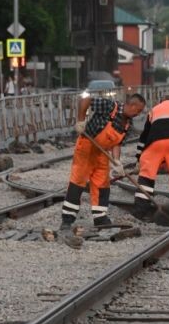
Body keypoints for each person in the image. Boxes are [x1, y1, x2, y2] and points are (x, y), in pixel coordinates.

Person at [61, 93, 147, 230]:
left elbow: (116, 144)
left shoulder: (127, 125)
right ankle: (67, 219)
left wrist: (117, 162)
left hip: (102, 153)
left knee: (102, 184)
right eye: (138, 110)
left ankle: (100, 218)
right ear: (132, 105)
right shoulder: (110, 106)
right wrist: (81, 120)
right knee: (78, 181)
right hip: (87, 146)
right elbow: (85, 99)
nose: (139, 114)